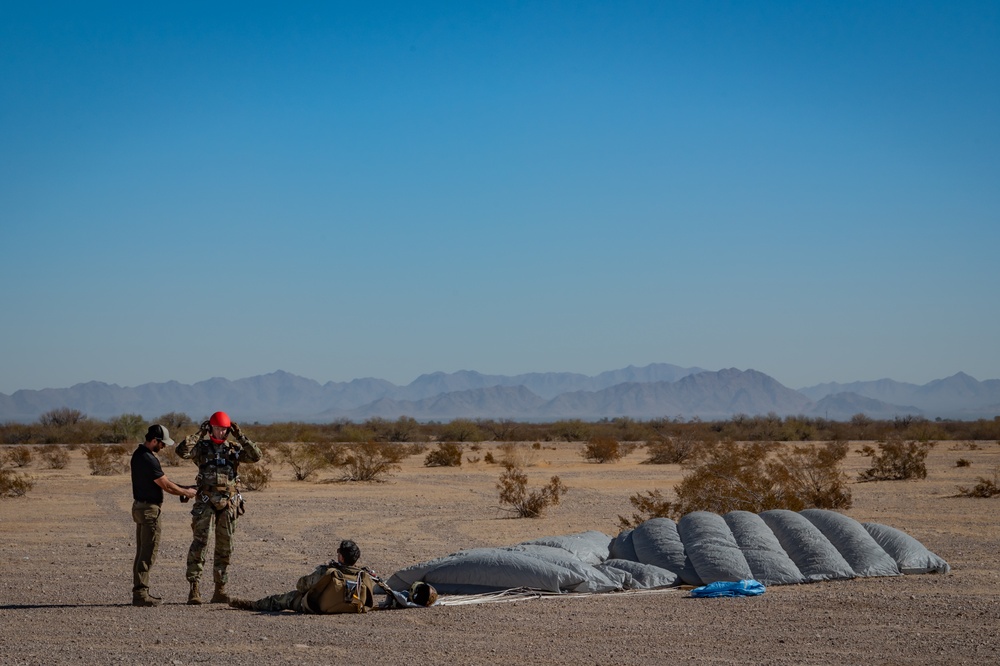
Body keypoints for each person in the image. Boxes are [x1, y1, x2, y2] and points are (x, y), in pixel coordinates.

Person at [175, 410, 262, 605]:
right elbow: (182, 451)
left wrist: (240, 435)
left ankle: (219, 589)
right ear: (210, 429)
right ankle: (194, 589)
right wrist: (200, 432)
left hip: (228, 502)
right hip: (205, 500)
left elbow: (256, 455)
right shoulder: (202, 447)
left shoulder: (234, 448)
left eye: (224, 430)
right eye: (216, 428)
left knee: (225, 547)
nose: (220, 433)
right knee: (200, 543)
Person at [130, 424, 197, 607]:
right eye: (162, 443)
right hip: (149, 511)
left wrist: (183, 489)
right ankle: (141, 594)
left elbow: (164, 481)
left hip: (140, 508)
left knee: (141, 551)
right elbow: (166, 486)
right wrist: (187, 492)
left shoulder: (139, 455)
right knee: (148, 552)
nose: (164, 447)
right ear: (154, 441)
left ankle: (140, 591)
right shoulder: (148, 459)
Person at [228, 540, 374, 613]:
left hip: (316, 606)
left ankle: (253, 605)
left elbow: (301, 585)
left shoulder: (330, 572)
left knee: (282, 599)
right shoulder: (363, 575)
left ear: (341, 557)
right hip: (352, 607)